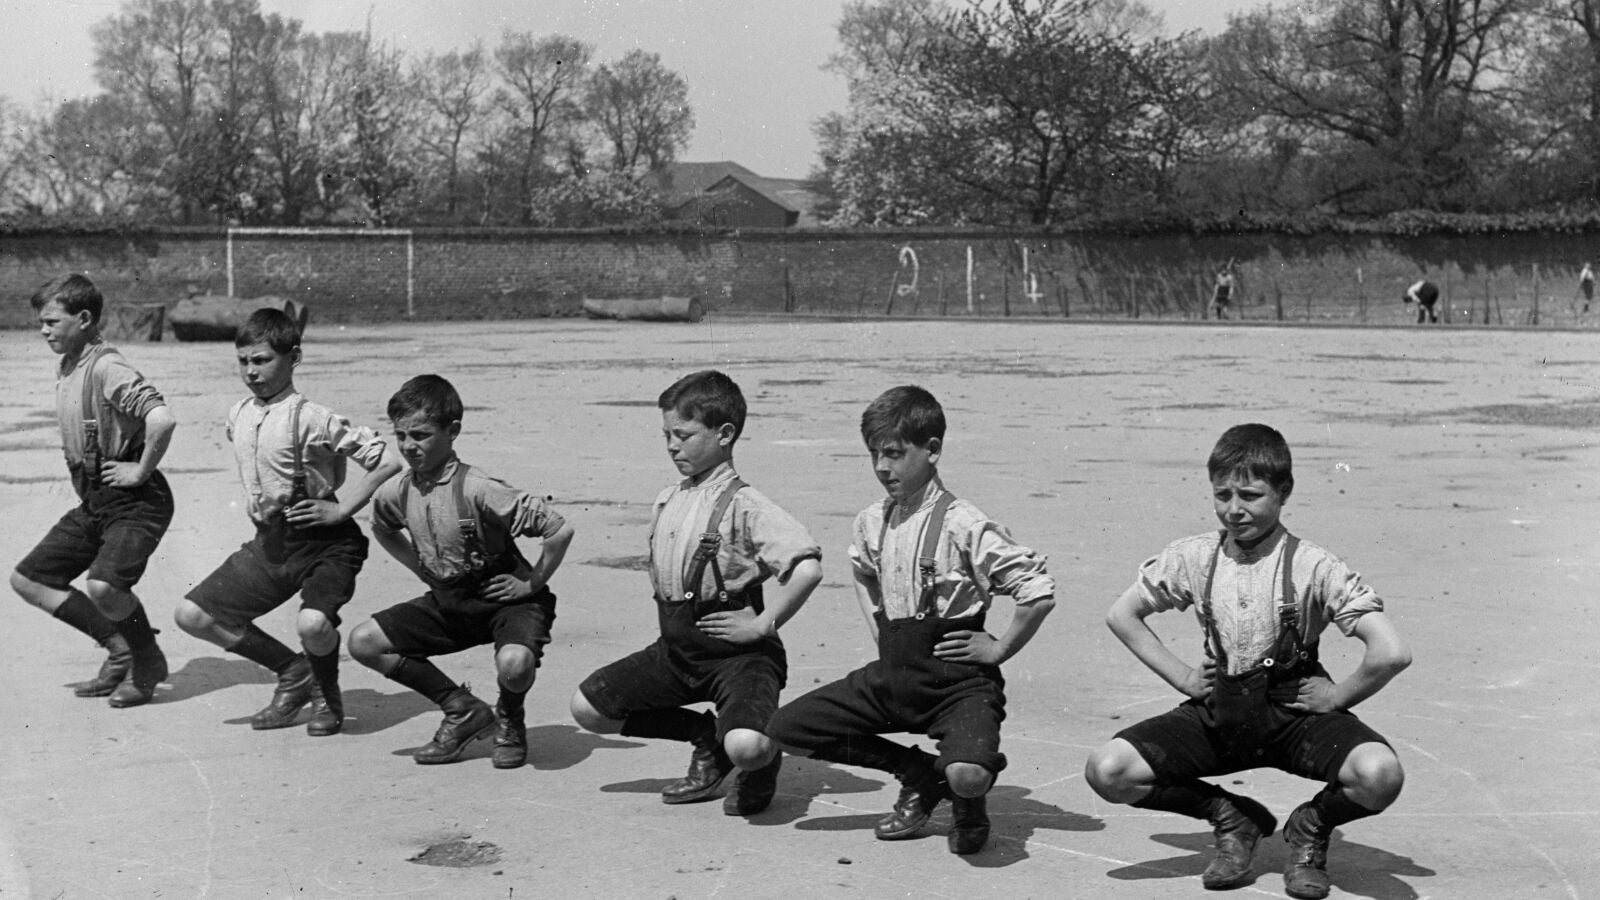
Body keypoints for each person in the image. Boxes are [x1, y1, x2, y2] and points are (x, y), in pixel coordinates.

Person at [1083, 424, 1410, 899]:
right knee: (1107, 771)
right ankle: (1231, 817)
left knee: (1381, 776)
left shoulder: (1314, 566)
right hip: (1221, 714)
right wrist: (1183, 677)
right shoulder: (1194, 556)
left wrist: (1336, 696)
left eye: (1252, 495)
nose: (1235, 510)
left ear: (1284, 492)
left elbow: (1392, 651)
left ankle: (1309, 829)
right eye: (1222, 495)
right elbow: (1122, 615)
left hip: (1295, 718)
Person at [767, 385, 1055, 855]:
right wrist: (881, 628)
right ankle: (917, 774)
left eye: (895, 454)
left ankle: (966, 798)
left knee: (967, 771)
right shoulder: (870, 521)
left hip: (957, 683)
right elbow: (861, 571)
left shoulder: (964, 523)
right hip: (892, 676)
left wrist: (1000, 648)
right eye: (874, 455)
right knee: (786, 729)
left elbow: (1037, 591)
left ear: (933, 450)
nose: (883, 467)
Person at [570, 370, 823, 817]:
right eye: (666, 434)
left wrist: (762, 625)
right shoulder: (670, 498)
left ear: (725, 434)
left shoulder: (747, 504)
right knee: (588, 708)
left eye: (684, 435)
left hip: (739, 657)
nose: (672, 445)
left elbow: (807, 568)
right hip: (677, 651)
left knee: (747, 745)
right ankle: (706, 737)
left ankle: (759, 761)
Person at [173, 309, 401, 735]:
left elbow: (387, 460)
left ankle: (328, 699)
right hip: (273, 543)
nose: (251, 371)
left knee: (313, 624)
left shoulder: (313, 417)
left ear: (293, 358)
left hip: (327, 544)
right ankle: (293, 672)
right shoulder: (239, 413)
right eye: (243, 361)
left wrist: (342, 508)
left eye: (261, 360)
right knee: (193, 615)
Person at [345, 375, 573, 768]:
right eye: (401, 436)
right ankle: (462, 709)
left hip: (507, 602)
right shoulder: (397, 491)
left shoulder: (479, 488)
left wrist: (531, 582)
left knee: (514, 665)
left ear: (452, 432)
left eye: (421, 435)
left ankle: (510, 719)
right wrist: (420, 568)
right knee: (364, 642)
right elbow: (381, 528)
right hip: (451, 602)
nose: (409, 446)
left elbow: (559, 529)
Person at [11, 274, 177, 708]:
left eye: (52, 321)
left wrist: (140, 471)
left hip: (138, 503)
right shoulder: (69, 363)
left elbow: (161, 418)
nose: (43, 330)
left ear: (84, 319)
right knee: (29, 580)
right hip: (97, 501)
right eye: (41, 322)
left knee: (104, 586)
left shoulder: (106, 365)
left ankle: (147, 660)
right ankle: (120, 648)